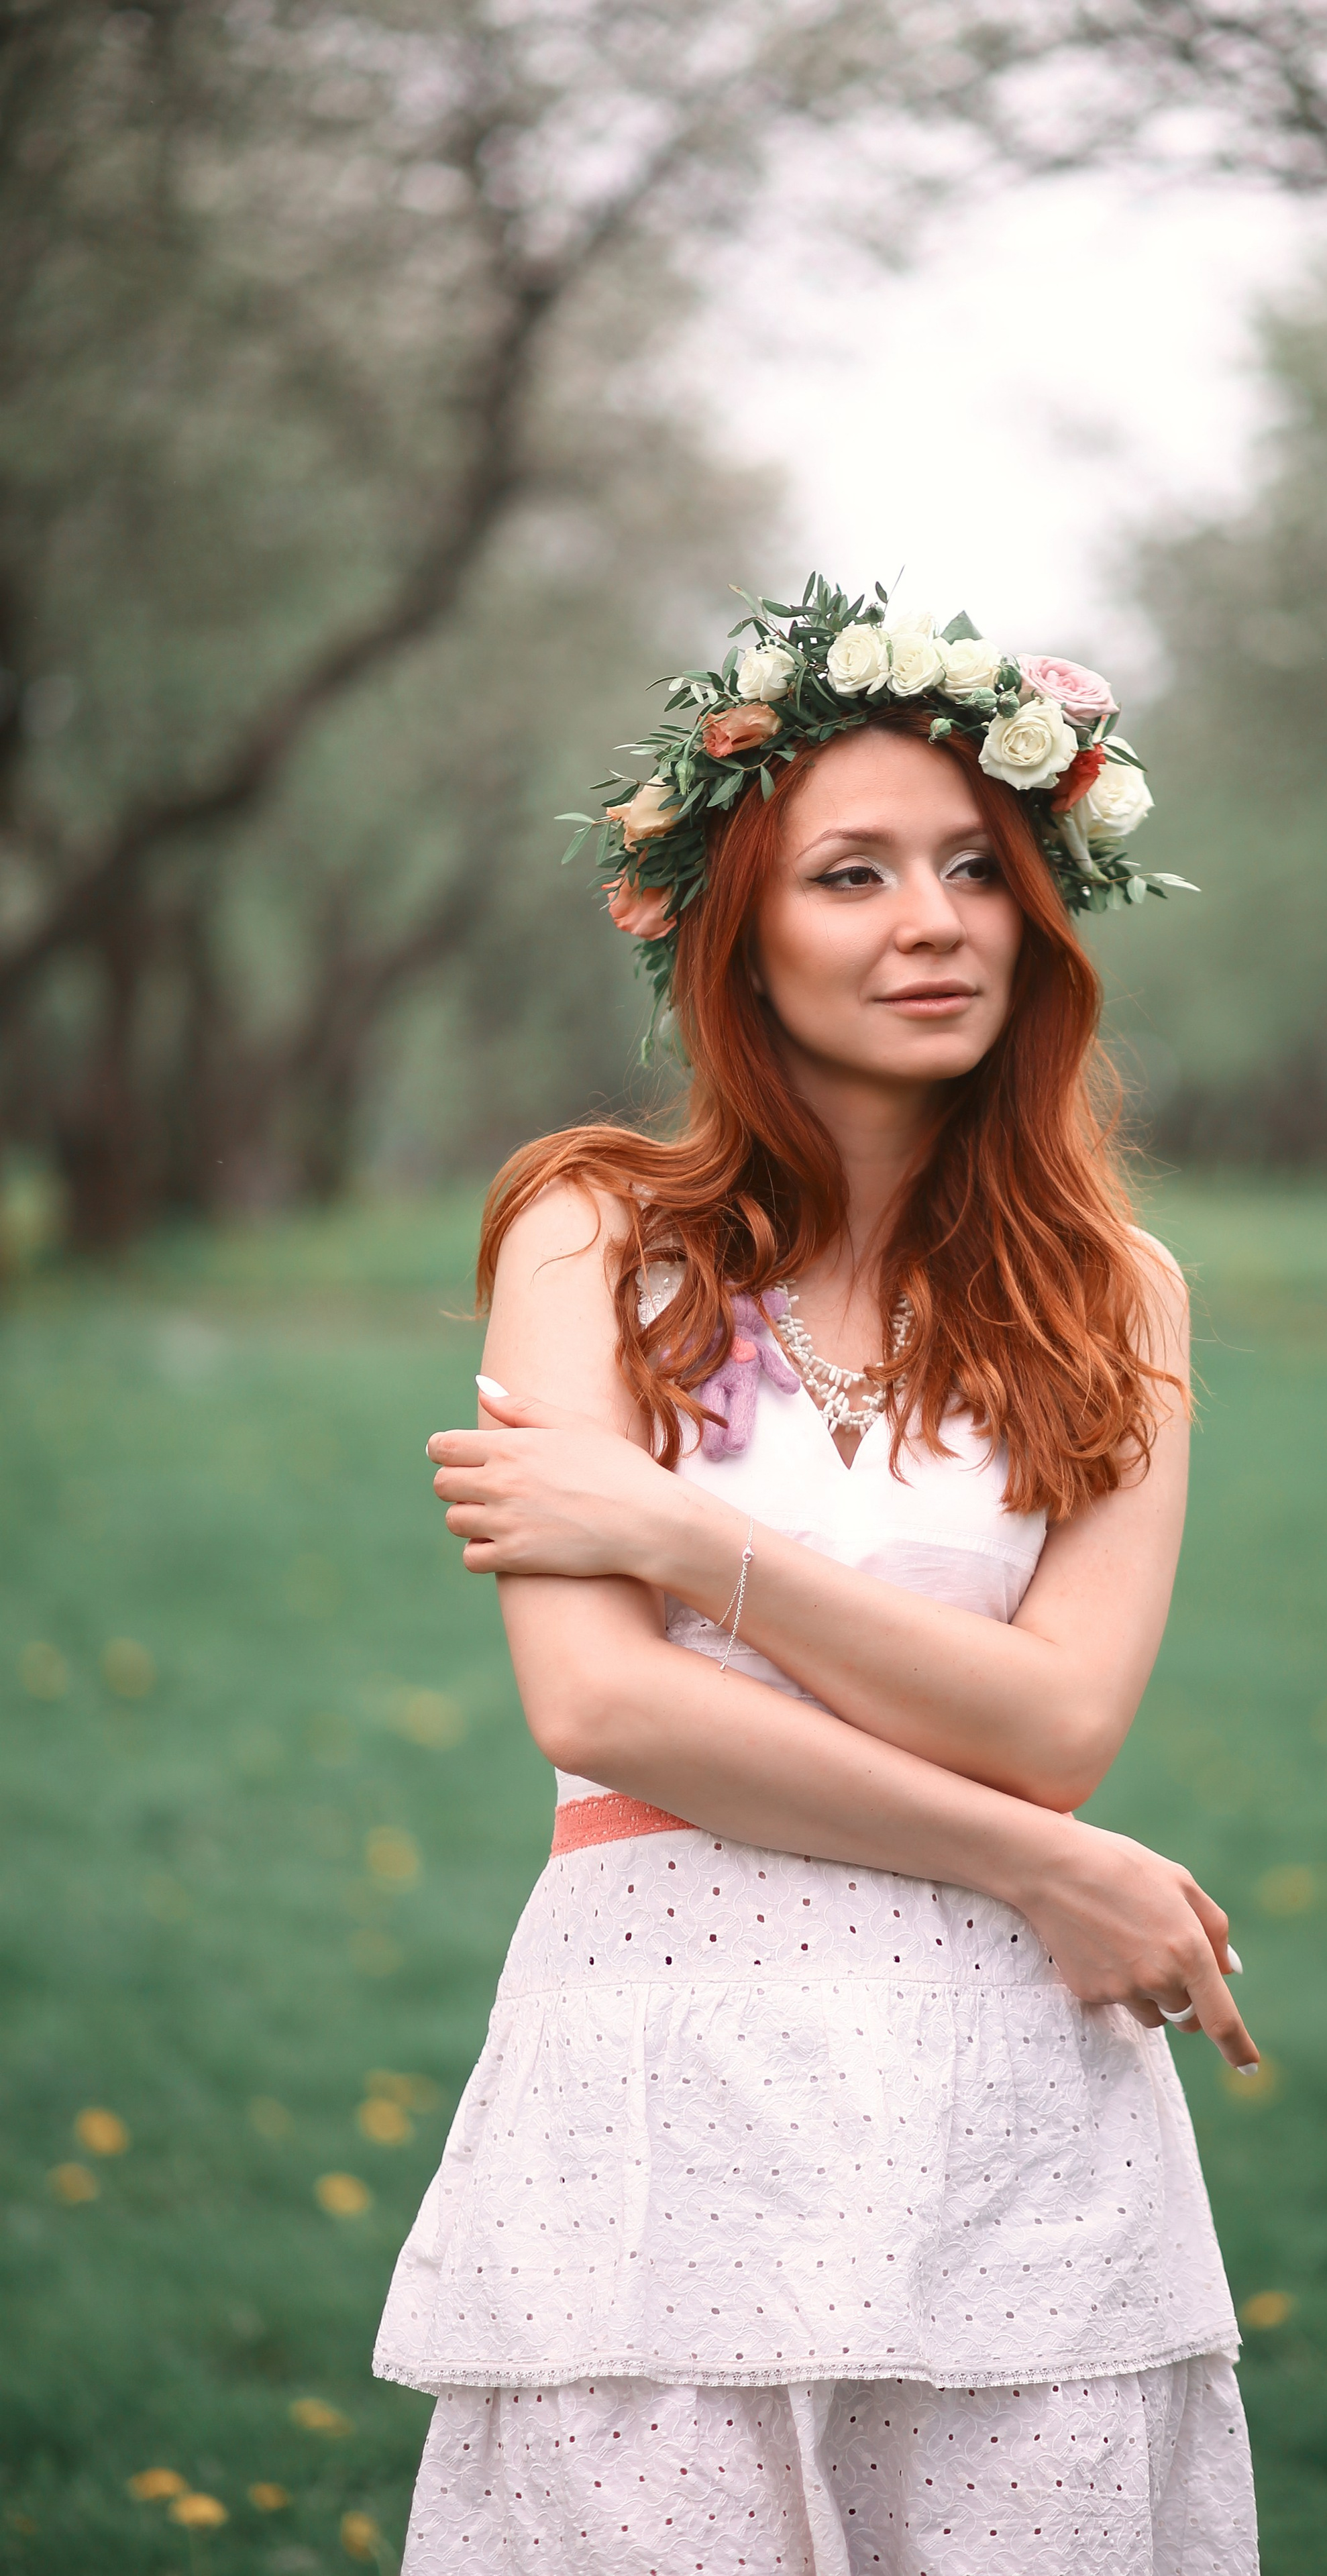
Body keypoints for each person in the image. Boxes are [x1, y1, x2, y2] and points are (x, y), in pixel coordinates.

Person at [374, 582, 1261, 2573]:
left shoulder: (1116, 1294)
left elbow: (1058, 1723)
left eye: (976, 867)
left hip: (1010, 2110)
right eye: (851, 874)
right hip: (661, 2087)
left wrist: (684, 1537)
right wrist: (1050, 1865)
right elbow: (603, 1705)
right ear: (736, 935)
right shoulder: (595, 1237)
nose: (932, 922)